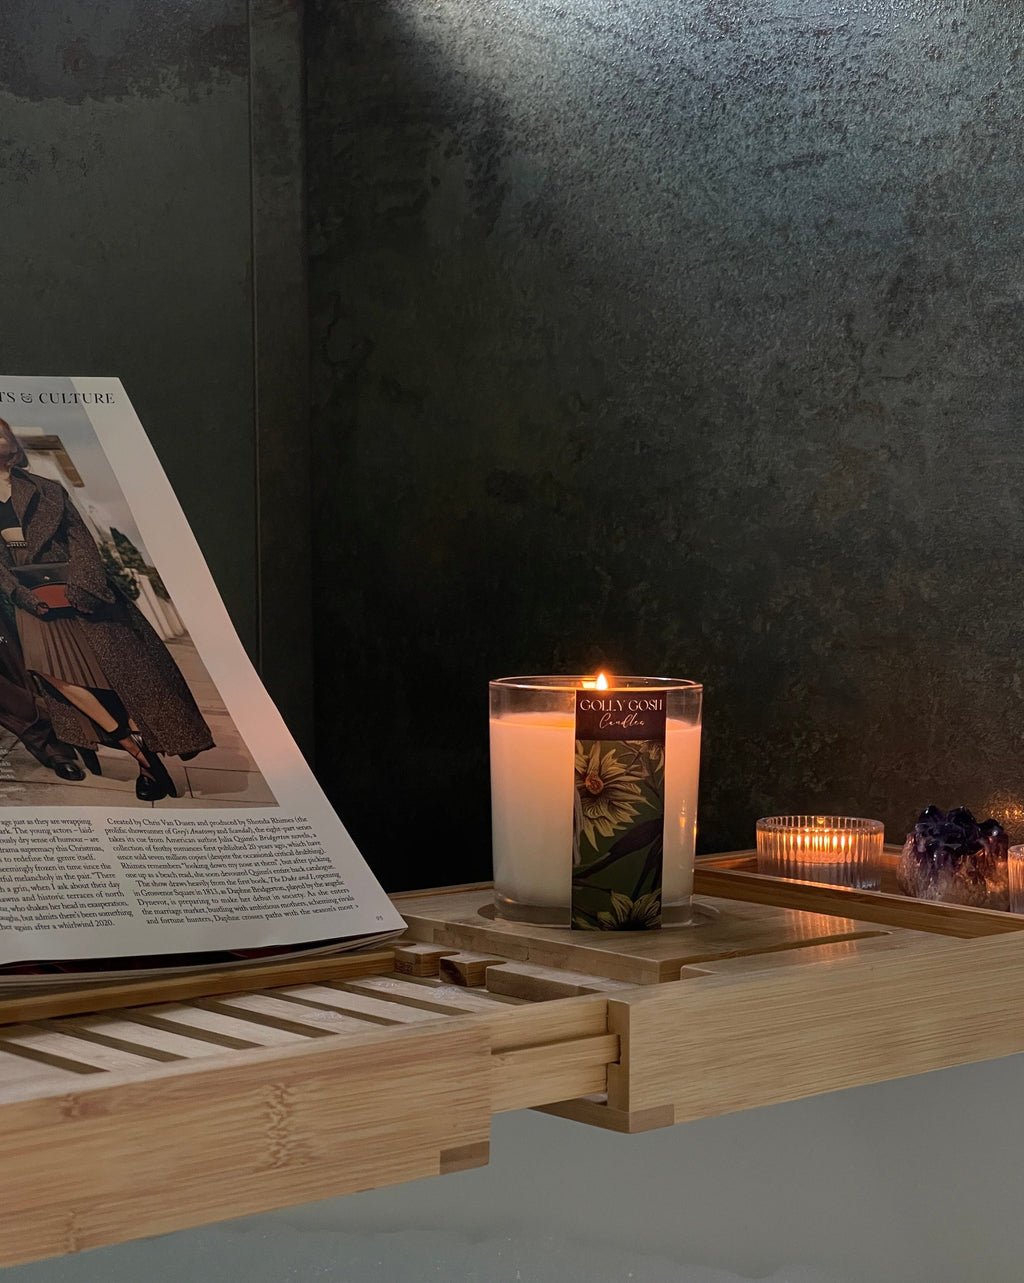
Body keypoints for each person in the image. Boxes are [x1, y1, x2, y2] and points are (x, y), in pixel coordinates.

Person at [0, 419, 214, 802]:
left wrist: (81, 590)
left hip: (81, 596)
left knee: (113, 678)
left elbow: (81, 542)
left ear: (11, 443)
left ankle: (148, 753)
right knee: (57, 679)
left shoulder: (46, 489)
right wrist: (21, 596)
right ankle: (140, 753)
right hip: (28, 601)